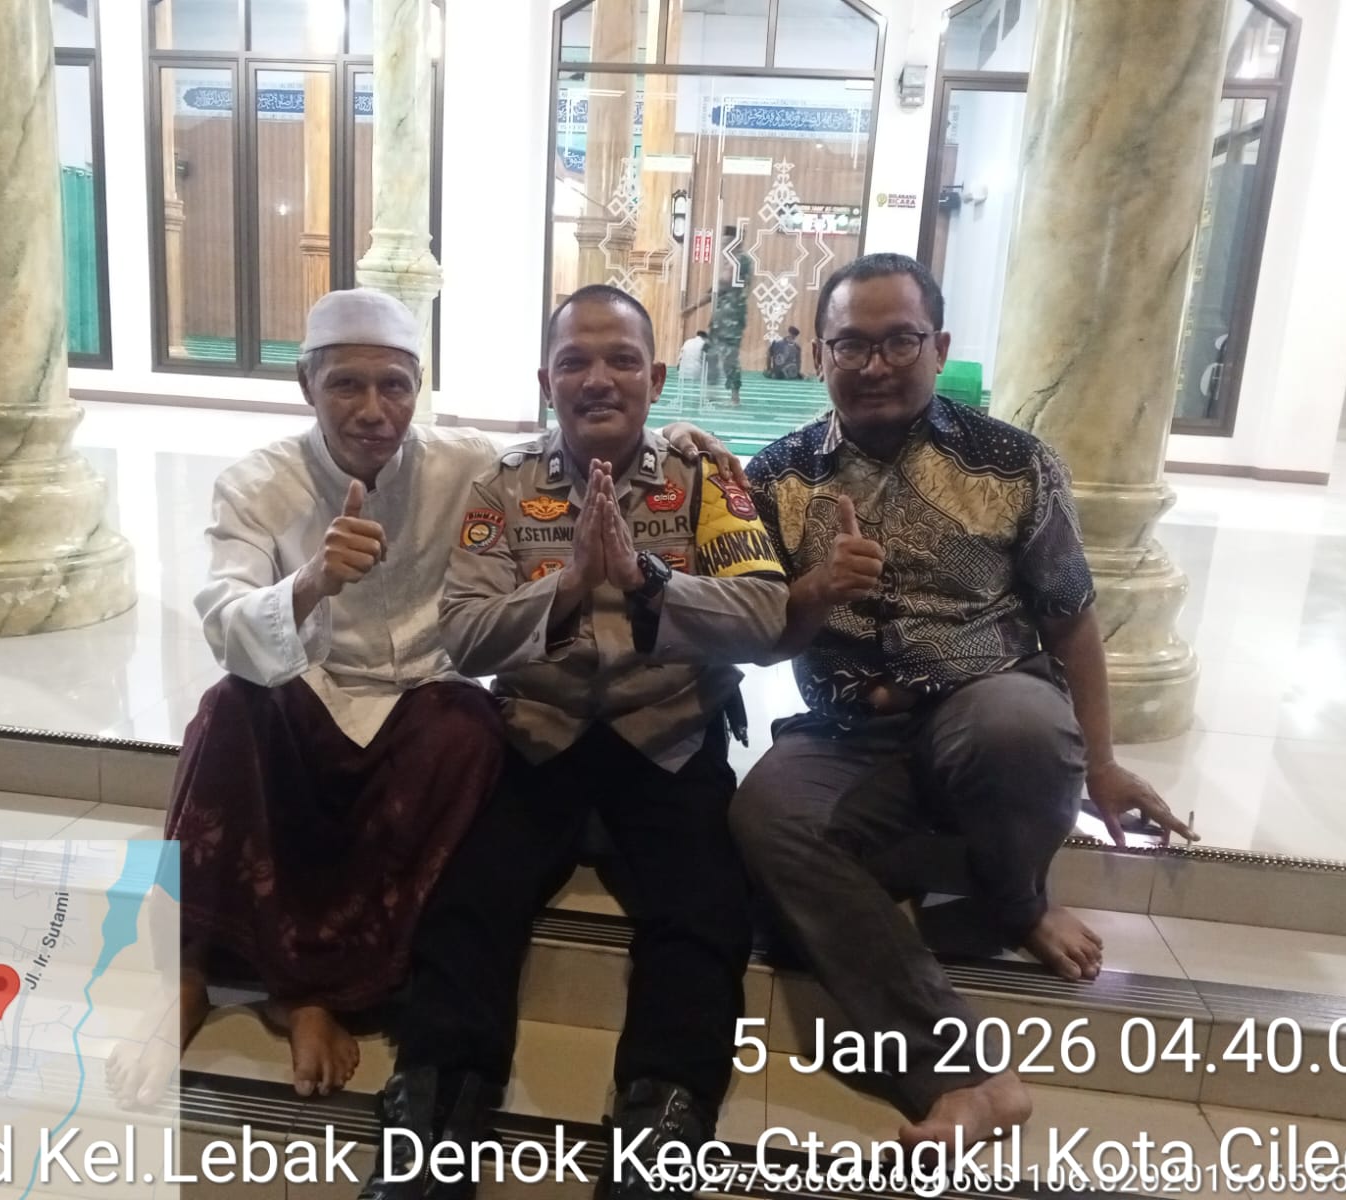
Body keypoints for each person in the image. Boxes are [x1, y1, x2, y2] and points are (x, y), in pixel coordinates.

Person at [160, 288, 741, 1101]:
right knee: (228, 708)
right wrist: (311, 580)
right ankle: (192, 964)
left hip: (426, 704)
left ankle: (316, 994)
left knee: (470, 728)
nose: (373, 410)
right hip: (311, 695)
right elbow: (226, 622)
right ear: (306, 386)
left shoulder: (461, 464)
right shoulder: (258, 484)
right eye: (346, 385)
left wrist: (671, 436)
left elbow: (578, 439)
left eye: (393, 386)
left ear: (418, 389)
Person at [731, 253, 1198, 1147]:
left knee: (1019, 728)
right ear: (819, 355)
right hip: (846, 729)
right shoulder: (777, 476)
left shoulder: (1013, 464)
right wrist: (817, 592)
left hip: (983, 707)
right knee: (766, 816)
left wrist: (1101, 765)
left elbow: (1071, 623)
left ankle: (1016, 898)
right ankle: (965, 1076)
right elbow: (761, 640)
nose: (874, 364)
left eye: (899, 341)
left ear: (938, 347)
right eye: (851, 345)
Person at [360, 284, 788, 1200]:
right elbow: (463, 635)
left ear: (655, 378)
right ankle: (432, 1124)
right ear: (545, 380)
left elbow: (764, 614)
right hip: (540, 736)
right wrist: (567, 585)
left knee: (703, 912)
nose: (598, 380)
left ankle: (660, 1135)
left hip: (669, 736)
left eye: (622, 360)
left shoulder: (706, 477)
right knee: (468, 900)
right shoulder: (505, 484)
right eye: (575, 362)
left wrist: (648, 580)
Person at [708, 243, 752, 406]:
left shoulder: (741, 260)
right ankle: (712, 392)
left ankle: (734, 396)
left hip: (731, 319)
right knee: (710, 353)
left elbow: (726, 281)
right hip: (720, 318)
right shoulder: (731, 259)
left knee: (730, 358)